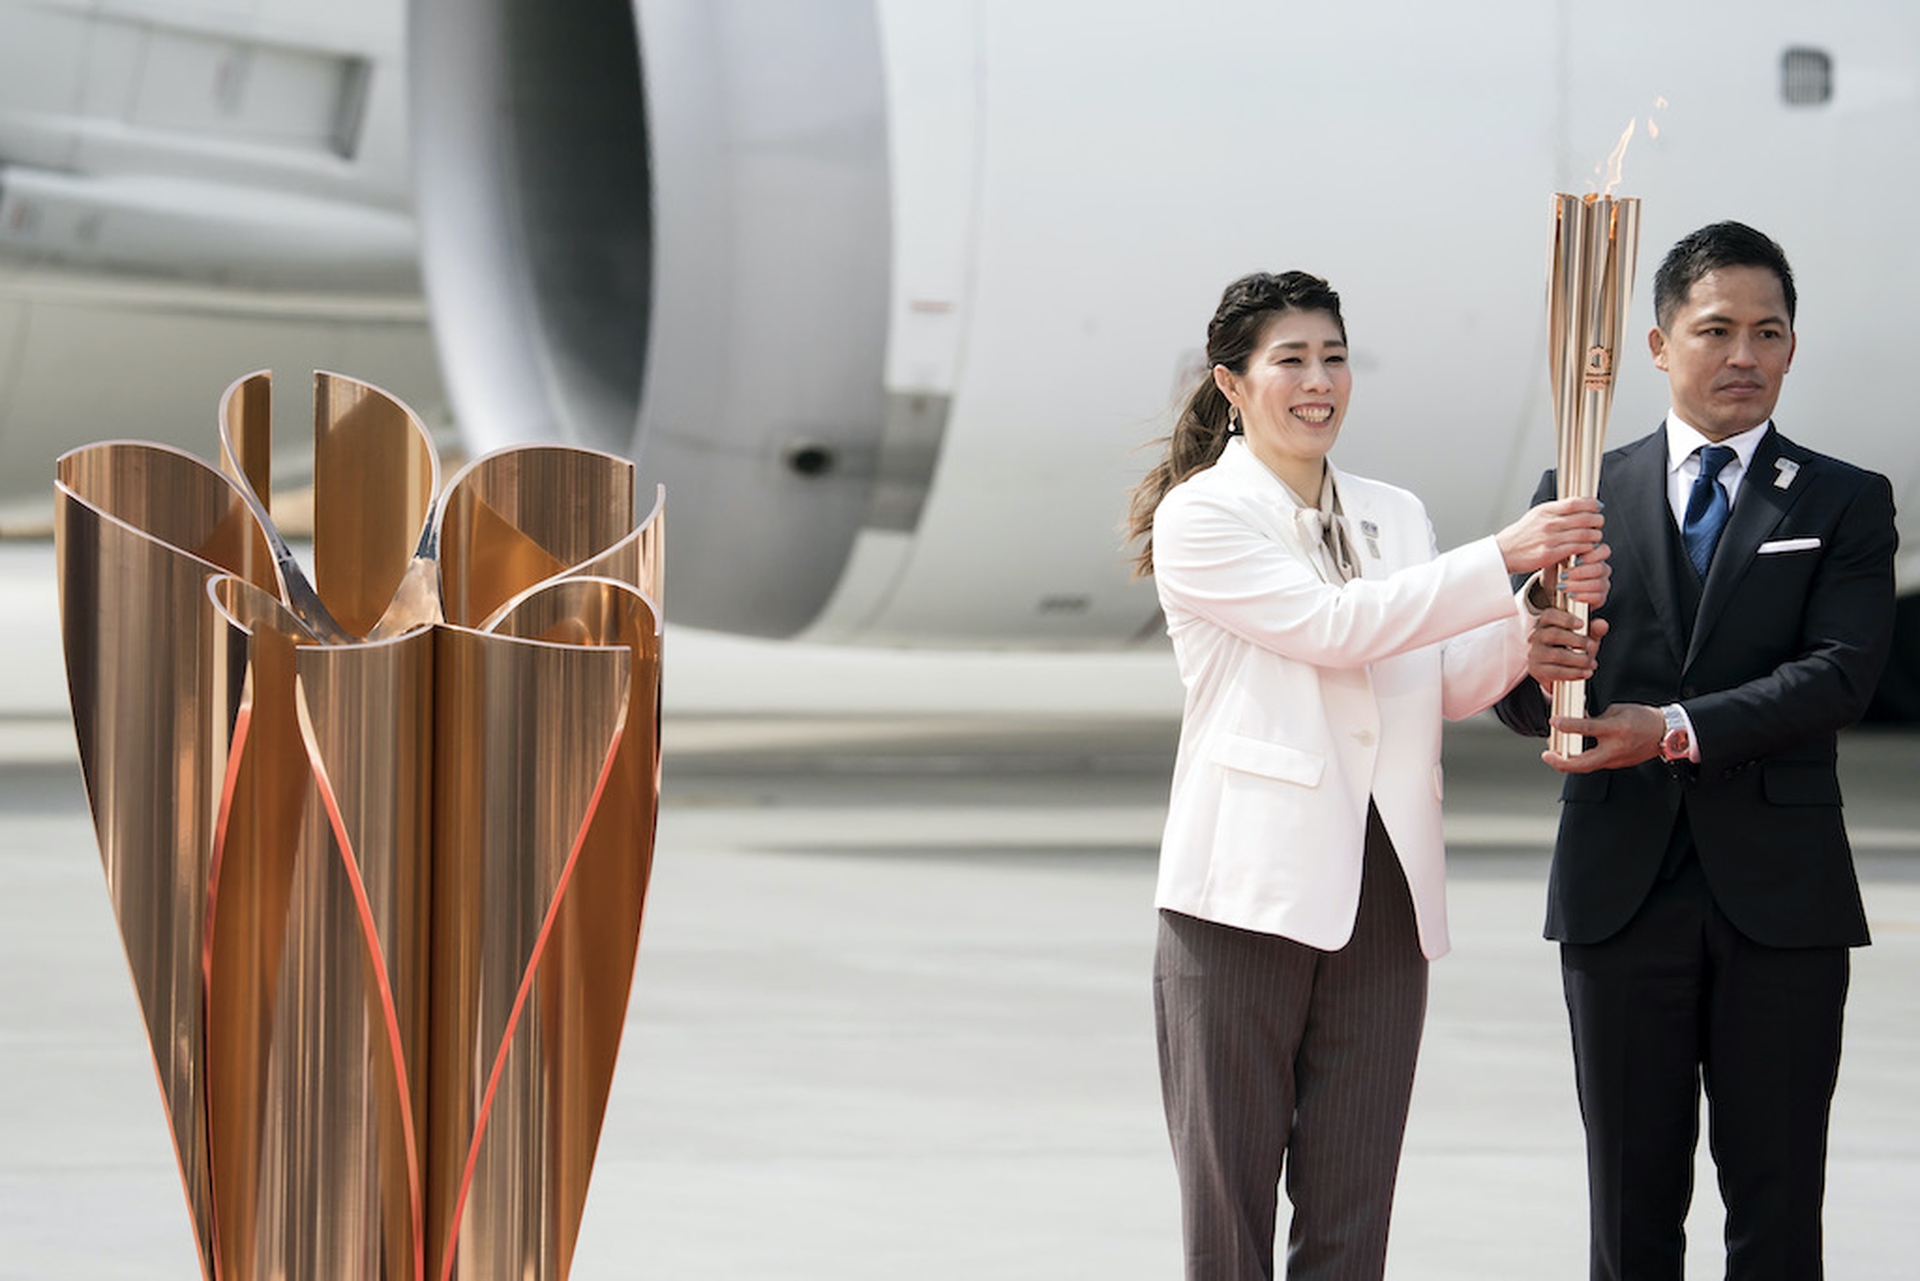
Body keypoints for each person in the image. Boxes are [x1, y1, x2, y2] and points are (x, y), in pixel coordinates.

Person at [1125, 269, 1609, 1281]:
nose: (1319, 381)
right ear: (1232, 383)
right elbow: (1333, 630)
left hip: (1386, 884)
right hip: (1243, 892)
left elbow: (1437, 677)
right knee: (1230, 1203)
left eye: (1334, 358)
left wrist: (1533, 626)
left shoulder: (1394, 513)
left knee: (1356, 1198)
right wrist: (1501, 557)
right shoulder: (1203, 516)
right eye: (1290, 360)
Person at [1496, 221, 1898, 1280]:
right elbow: (1526, 702)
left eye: (1768, 332)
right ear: (1657, 346)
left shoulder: (1844, 499)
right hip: (1620, 892)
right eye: (1715, 330)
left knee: (1777, 1205)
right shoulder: (1577, 493)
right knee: (1629, 1213)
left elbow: (1839, 676)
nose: (1744, 355)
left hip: (1783, 899)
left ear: (1793, 349)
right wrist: (1542, 659)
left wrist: (1672, 729)